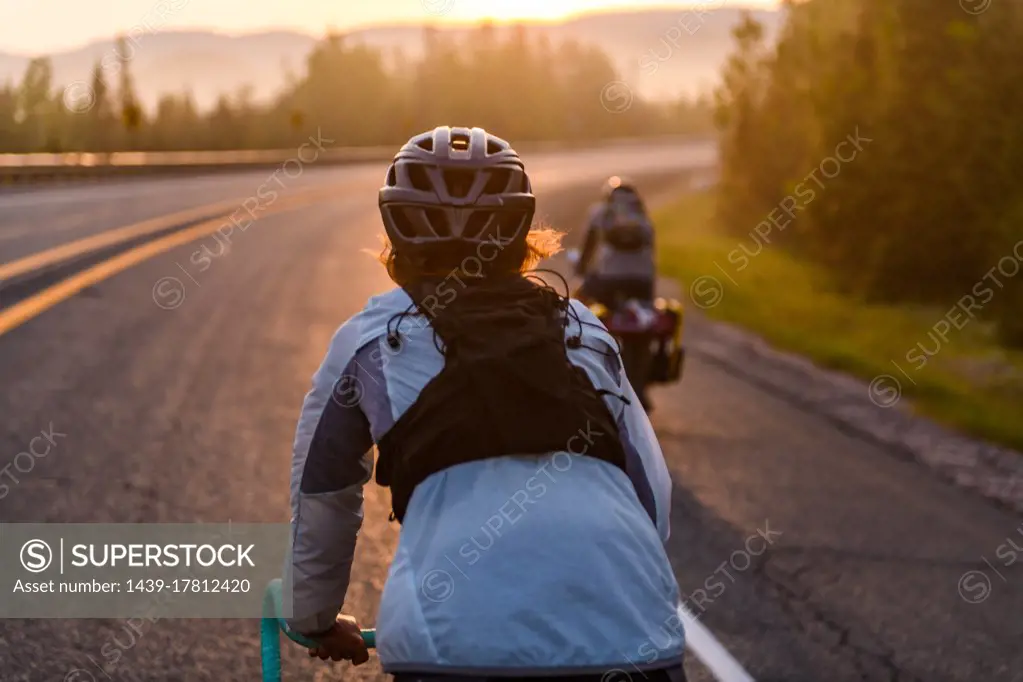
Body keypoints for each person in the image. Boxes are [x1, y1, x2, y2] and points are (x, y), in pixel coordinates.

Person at [285, 127, 685, 682]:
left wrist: (313, 618)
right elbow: (652, 499)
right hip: (631, 637)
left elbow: (324, 493)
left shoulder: (370, 340)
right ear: (521, 233)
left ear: (395, 235)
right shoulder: (584, 330)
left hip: (453, 648)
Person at [574, 176, 656, 306]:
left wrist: (580, 267)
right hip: (642, 279)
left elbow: (588, 246)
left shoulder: (599, 212)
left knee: (580, 301)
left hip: (609, 278)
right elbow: (652, 250)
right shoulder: (642, 215)